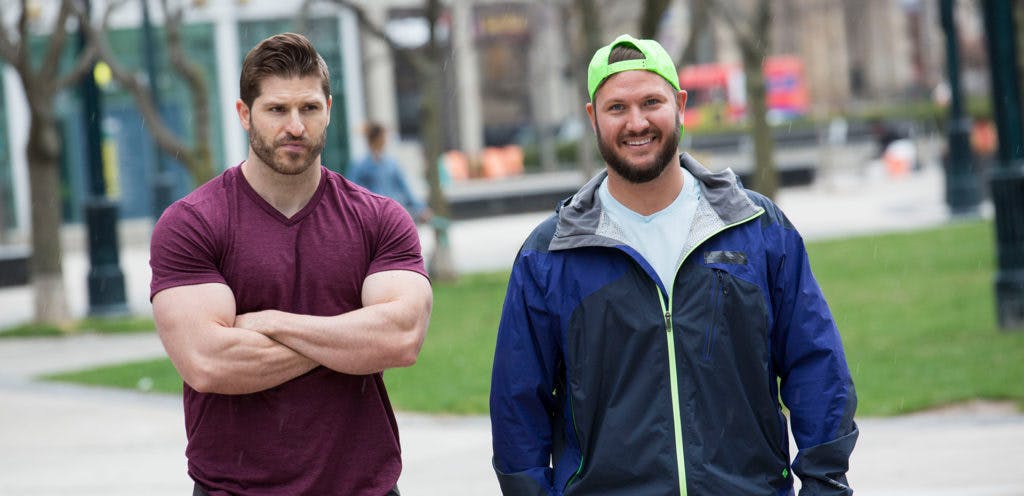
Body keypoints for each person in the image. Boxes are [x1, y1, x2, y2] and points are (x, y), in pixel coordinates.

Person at [489, 34, 858, 495]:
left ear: (680, 105)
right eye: (617, 108)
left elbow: (816, 364)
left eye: (651, 102)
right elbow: (517, 405)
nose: (636, 122)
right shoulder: (549, 255)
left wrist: (825, 482)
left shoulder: (758, 227)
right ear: (592, 117)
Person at [149, 33, 432, 496]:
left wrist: (271, 323)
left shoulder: (379, 219)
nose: (296, 126)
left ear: (329, 110)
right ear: (245, 114)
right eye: (277, 109)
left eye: (309, 108)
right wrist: (351, 342)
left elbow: (400, 338)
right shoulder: (192, 224)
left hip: (363, 488)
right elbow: (208, 362)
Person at [350, 122, 432, 223]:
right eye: (383, 137)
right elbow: (352, 192)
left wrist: (421, 208)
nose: (385, 141)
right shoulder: (360, 166)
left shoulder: (391, 164)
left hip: (392, 216)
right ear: (376, 139)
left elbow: (405, 188)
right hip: (370, 218)